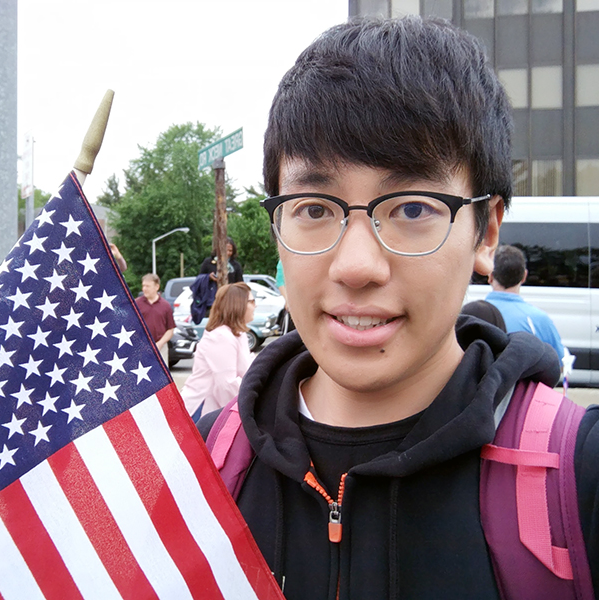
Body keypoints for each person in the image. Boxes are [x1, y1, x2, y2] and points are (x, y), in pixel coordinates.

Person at [197, 16, 599, 599]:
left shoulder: (577, 478)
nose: (356, 265)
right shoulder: (203, 468)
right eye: (314, 207)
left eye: (412, 208)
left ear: (486, 233)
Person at [181, 283, 255, 422]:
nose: (255, 306)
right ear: (238, 304)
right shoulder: (221, 337)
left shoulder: (239, 335)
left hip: (217, 409)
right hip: (202, 410)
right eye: (252, 301)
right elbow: (226, 385)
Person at [485, 244, 565, 362]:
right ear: (524, 276)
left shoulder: (469, 315)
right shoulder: (539, 320)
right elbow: (558, 363)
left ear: (490, 276)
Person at [134, 273, 175, 363]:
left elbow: (170, 329)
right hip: (141, 347)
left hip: (161, 347)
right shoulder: (136, 304)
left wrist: (159, 344)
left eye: (147, 286)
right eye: (143, 286)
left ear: (157, 287)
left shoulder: (165, 306)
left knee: (161, 376)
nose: (144, 289)